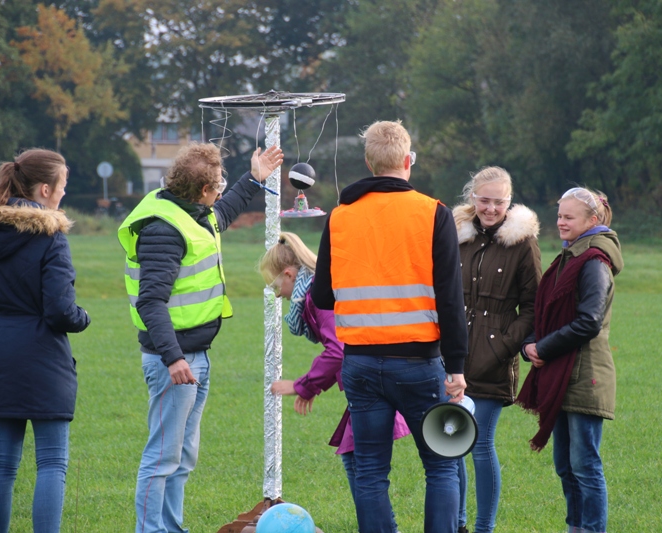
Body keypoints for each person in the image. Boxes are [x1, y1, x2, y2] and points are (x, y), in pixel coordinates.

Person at [117, 142, 283, 533]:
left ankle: (171, 528)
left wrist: (254, 178)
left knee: (182, 457)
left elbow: (223, 214)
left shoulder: (193, 212)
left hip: (196, 357)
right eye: (218, 186)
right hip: (175, 362)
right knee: (162, 457)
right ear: (203, 190)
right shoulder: (163, 230)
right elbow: (151, 302)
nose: (221, 193)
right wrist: (173, 358)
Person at [311, 120, 468, 533]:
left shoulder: (340, 216)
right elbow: (451, 300)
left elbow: (322, 295)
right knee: (441, 466)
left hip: (360, 363)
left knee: (370, 471)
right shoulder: (433, 213)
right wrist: (456, 366)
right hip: (419, 362)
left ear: (369, 163)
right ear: (407, 161)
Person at [0, 148, 91, 533]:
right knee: (51, 461)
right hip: (43, 358)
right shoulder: (51, 238)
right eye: (62, 185)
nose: (64, 193)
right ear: (45, 189)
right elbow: (60, 311)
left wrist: (5, 316)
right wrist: (83, 317)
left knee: (1, 461)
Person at [262, 232, 411, 531]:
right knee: (356, 460)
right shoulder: (317, 290)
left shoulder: (319, 296)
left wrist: (303, 385)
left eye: (276, 286)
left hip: (376, 381)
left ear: (289, 274)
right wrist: (313, 386)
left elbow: (339, 348)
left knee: (362, 466)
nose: (278, 295)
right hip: (375, 377)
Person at [516, 186, 623, 533]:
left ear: (592, 220)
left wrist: (543, 348)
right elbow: (545, 313)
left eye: (569, 217)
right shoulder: (570, 256)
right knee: (565, 464)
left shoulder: (594, 261)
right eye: (559, 215)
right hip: (563, 373)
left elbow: (588, 322)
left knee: (585, 466)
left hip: (585, 375)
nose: (561, 222)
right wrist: (530, 345)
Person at [452, 167, 542, 533]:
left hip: (493, 361)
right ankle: (456, 524)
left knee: (480, 444)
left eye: (498, 202)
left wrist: (504, 345)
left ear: (510, 201)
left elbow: (534, 306)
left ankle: (483, 528)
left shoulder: (523, 244)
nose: (490, 209)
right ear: (472, 198)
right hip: (452, 360)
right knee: (452, 444)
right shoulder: (456, 236)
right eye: (484, 200)